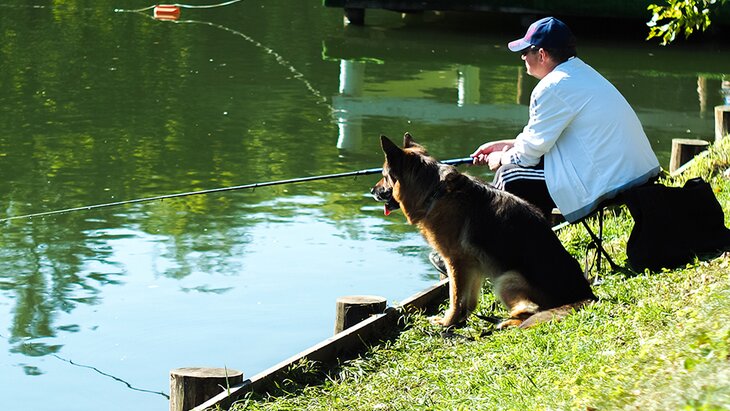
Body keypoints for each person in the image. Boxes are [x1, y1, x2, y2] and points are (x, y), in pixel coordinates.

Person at [429, 16, 661, 274]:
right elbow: (543, 138)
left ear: (541, 54)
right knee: (517, 174)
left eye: (525, 51)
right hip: (630, 172)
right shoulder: (579, 73)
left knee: (510, 176)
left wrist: (500, 159)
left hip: (609, 180)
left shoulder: (552, 87)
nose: (522, 57)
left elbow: (527, 156)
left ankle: (473, 256)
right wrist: (504, 145)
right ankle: (520, 255)